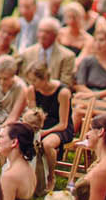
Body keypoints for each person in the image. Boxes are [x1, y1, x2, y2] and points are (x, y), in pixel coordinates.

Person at [27, 61, 73, 190]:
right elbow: (32, 115)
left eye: (34, 80)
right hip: (40, 125)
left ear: (45, 78)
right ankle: (28, 175)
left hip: (60, 127)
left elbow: (63, 124)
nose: (32, 84)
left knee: (47, 144)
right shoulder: (32, 90)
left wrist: (44, 132)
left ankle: (51, 177)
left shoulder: (62, 92)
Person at [73, 24, 106, 104]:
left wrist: (94, 97)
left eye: (101, 40)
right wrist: (94, 97)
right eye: (95, 40)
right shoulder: (87, 60)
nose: (98, 44)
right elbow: (80, 85)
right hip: (89, 98)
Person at [22, 17, 77, 87]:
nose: (42, 35)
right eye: (40, 31)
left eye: (47, 32)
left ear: (56, 35)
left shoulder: (67, 56)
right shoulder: (27, 53)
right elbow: (24, 79)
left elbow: (66, 83)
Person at [0, 54, 29, 127]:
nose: (1, 82)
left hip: (14, 122)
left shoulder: (21, 88)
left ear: (13, 76)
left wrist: (0, 129)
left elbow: (13, 117)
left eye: (5, 79)